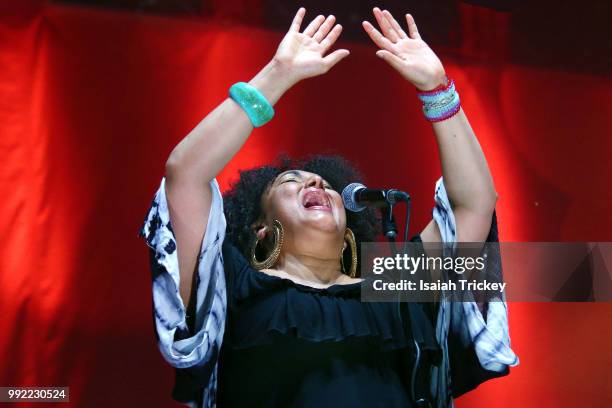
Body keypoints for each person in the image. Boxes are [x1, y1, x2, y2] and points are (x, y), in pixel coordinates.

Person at [140, 7, 518, 407]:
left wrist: (438, 90)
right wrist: (277, 76)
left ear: (349, 229)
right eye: (290, 182)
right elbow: (185, 175)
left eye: (325, 184)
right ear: (261, 229)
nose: (315, 182)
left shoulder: (393, 287)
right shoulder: (234, 287)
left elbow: (473, 206)